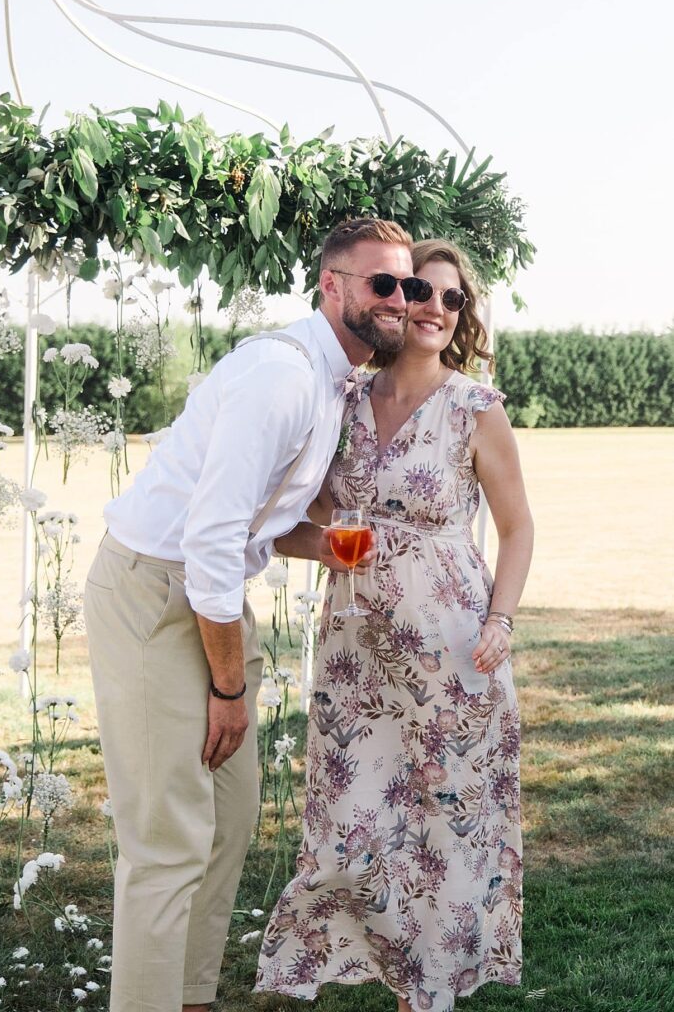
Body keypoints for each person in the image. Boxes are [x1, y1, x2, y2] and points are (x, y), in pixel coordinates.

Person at [83, 217, 419, 1012]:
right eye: (382, 283)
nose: (400, 299)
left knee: (228, 824)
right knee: (167, 843)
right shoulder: (283, 375)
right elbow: (208, 536)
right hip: (154, 593)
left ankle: (191, 999)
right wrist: (229, 692)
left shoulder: (335, 381)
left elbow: (257, 525)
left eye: (407, 285)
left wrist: (338, 548)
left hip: (211, 595)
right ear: (331, 287)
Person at [255, 239, 534, 1012]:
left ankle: (430, 991)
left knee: (445, 823)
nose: (440, 310)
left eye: (455, 300)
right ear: (396, 298)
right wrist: (334, 545)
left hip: (453, 648)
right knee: (357, 820)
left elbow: (517, 530)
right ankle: (380, 962)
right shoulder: (341, 400)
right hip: (353, 654)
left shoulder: (477, 408)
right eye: (424, 292)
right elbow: (293, 515)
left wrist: (502, 620)